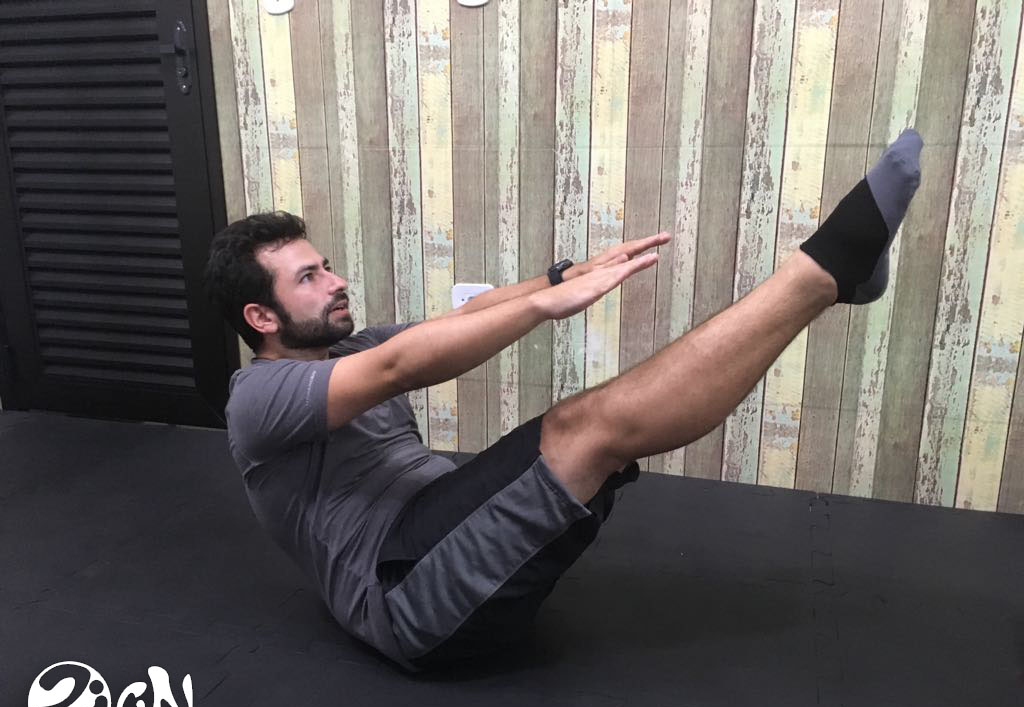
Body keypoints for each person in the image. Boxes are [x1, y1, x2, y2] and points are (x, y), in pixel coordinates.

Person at [204, 129, 922, 674]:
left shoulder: (348, 350)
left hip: (431, 527)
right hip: (404, 596)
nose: (334, 281)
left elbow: (459, 320)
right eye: (308, 278)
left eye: (326, 266)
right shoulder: (258, 400)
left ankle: (838, 280)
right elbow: (400, 366)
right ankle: (826, 274)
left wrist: (560, 278)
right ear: (261, 317)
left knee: (581, 433)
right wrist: (546, 308)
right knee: (585, 429)